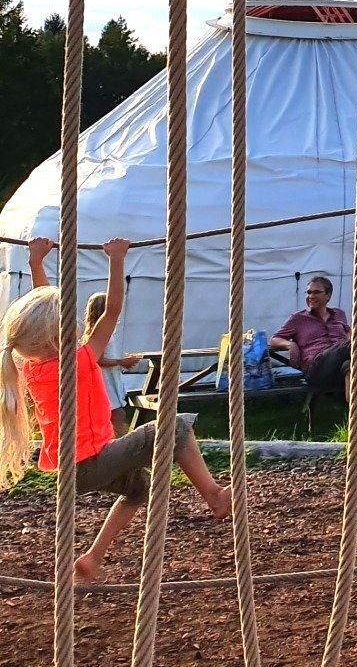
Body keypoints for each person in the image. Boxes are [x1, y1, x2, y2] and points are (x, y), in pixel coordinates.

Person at [4, 237, 232, 583]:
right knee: (175, 426)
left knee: (139, 488)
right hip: (92, 462)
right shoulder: (78, 361)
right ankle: (214, 495)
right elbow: (111, 311)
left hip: (73, 471)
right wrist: (116, 260)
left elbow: (44, 309)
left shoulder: (33, 366)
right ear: (57, 336)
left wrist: (37, 262)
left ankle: (92, 559)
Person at [271, 275, 357, 410]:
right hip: (316, 368)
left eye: (316, 292)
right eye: (308, 292)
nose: (311, 296)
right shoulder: (298, 319)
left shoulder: (339, 314)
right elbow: (274, 340)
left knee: (351, 367)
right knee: (351, 345)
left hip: (337, 367)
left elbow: (348, 332)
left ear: (328, 295)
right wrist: (290, 344)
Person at [81, 290, 143, 438]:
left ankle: (116, 441)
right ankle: (123, 445)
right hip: (104, 380)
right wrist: (121, 362)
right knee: (117, 415)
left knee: (115, 415)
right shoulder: (98, 336)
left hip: (110, 378)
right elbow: (97, 359)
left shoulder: (103, 335)